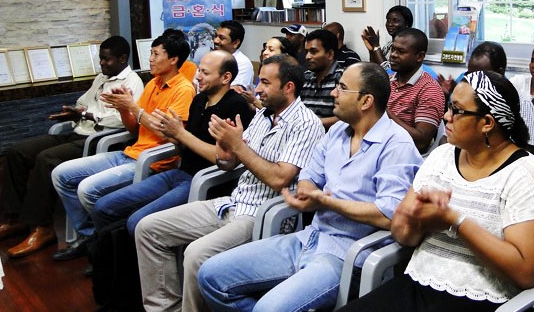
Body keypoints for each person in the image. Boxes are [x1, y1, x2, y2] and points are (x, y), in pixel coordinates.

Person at [196, 62, 423, 311]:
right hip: (310, 238)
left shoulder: (396, 145)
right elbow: (309, 176)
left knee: (268, 309)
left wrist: (326, 201)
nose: (334, 93)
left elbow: (388, 214)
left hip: (348, 255)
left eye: (342, 88)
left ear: (366, 101)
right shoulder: (338, 131)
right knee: (211, 276)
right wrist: (306, 190)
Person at [339, 71, 534, 312]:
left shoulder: (525, 175)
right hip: (419, 285)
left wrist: (455, 221)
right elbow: (404, 237)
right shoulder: (442, 157)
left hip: (484, 299)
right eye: (449, 106)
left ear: (487, 123)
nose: (446, 116)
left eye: (457, 110)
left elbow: (526, 273)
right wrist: (415, 214)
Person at [134, 54, 324, 312]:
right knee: (148, 229)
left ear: (288, 87)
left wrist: (238, 147)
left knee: (196, 254)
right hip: (232, 202)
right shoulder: (263, 116)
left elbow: (280, 177)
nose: (257, 89)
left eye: (266, 83)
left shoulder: (306, 124)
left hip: (263, 214)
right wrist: (226, 156)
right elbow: (232, 163)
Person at [86, 50, 254, 310]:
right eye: (198, 70)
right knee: (104, 206)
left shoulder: (236, 107)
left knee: (136, 222)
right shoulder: (199, 101)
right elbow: (184, 144)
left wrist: (181, 135)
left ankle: (139, 291)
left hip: (204, 181)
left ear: (226, 77)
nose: (197, 76)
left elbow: (221, 158)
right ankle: (115, 276)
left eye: (205, 73)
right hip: (178, 171)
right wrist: (172, 132)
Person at [0, 36, 144, 259]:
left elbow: (123, 121)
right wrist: (74, 111)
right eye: (101, 59)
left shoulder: (132, 83)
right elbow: (83, 102)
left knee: (46, 159)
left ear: (122, 58)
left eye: (107, 59)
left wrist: (85, 114)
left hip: (98, 140)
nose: (102, 63)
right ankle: (14, 218)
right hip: (78, 131)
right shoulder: (101, 78)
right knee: (18, 151)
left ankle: (42, 229)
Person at [50, 33, 196, 261]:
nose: (150, 59)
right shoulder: (152, 84)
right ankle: (92, 238)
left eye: (156, 54)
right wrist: (122, 108)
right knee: (61, 175)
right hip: (130, 152)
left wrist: (133, 108)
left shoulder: (184, 90)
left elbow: (169, 134)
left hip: (153, 161)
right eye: (151, 53)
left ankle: (99, 246)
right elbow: (133, 130)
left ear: (174, 59)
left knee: (87, 190)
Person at [437, 41, 534, 153]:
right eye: (470, 75)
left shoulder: (521, 103)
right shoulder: (464, 98)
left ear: (499, 72)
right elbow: (445, 138)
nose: (473, 81)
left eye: (481, 76)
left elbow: (527, 150)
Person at [387, 27, 446, 154]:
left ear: (419, 56)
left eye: (401, 51)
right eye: (393, 49)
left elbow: (421, 142)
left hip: (403, 154)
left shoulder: (429, 90)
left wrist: (383, 112)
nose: (393, 55)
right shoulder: (388, 81)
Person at [301, 29, 344, 129]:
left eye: (313, 52)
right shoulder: (305, 77)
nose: (307, 57)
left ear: (330, 54)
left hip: (332, 139)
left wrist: (313, 123)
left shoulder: (343, 77)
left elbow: (348, 117)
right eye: (306, 52)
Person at [362, 5, 413, 69]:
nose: (390, 24)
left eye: (395, 21)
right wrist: (372, 50)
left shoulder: (408, 45)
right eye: (388, 21)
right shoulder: (389, 45)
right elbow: (376, 68)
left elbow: (389, 72)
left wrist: (376, 46)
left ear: (406, 24)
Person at [213, 20, 254, 93]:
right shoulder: (210, 58)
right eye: (215, 36)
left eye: (221, 38)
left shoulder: (242, 63)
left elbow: (234, 91)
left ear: (235, 43)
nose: (215, 41)